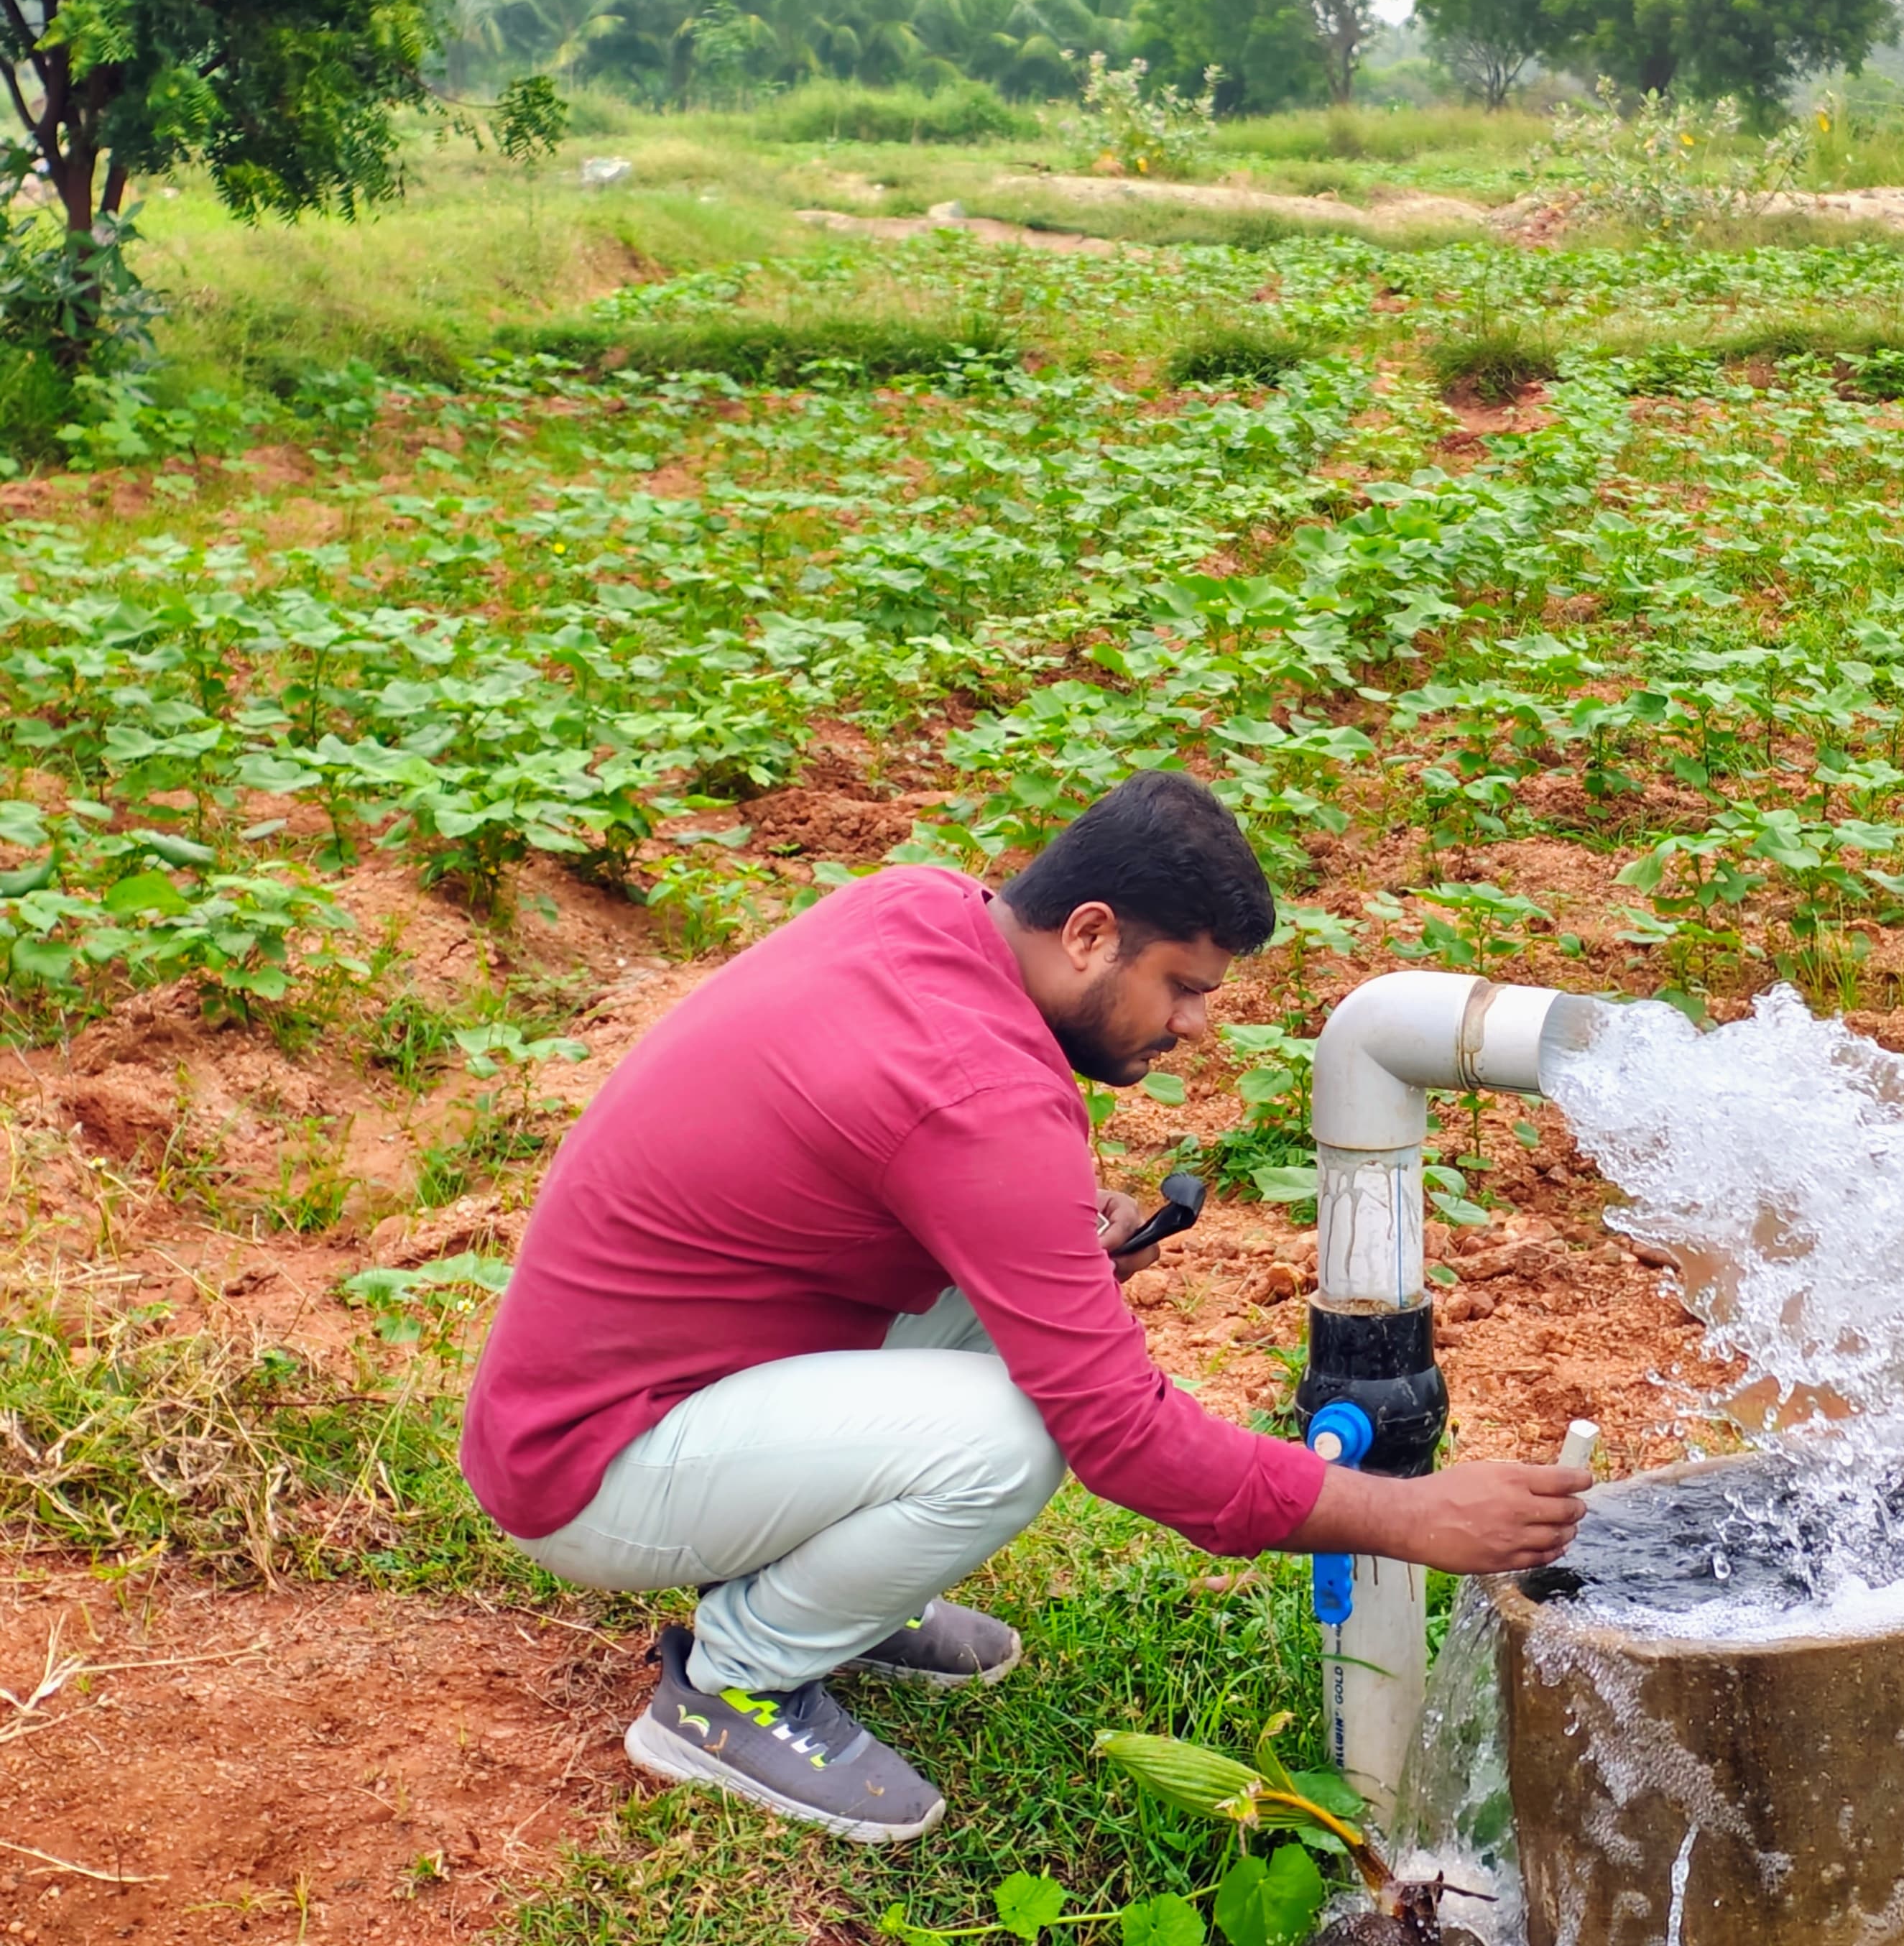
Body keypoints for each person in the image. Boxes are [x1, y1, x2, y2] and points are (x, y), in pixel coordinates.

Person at [459, 771, 1589, 1842]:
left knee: (1044, 1313)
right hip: (584, 1467)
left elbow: (893, 1151)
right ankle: (737, 1683)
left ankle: (825, 1590)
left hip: (653, 1373)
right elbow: (1125, 1440)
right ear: (1091, 933)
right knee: (1019, 1434)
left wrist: (1050, 1240)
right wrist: (1413, 1517)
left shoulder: (924, 908)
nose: (1197, 1026)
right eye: (1184, 988)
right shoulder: (981, 1096)